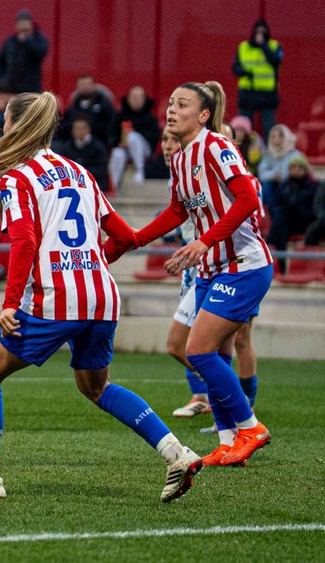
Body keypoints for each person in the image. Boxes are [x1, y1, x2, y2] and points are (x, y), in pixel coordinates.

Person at [0, 91, 201, 502]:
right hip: (101, 296)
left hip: (54, 297)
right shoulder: (79, 172)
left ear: (18, 126)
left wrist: (10, 302)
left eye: (6, 121)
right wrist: (94, 264)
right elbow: (126, 237)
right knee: (97, 388)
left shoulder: (17, 176)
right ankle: (177, 453)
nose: (2, 128)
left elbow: (24, 242)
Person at [124, 81, 274, 469]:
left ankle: (250, 427)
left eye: (182, 104)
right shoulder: (179, 158)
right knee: (217, 355)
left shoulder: (217, 146)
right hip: (212, 268)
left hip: (243, 265)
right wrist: (136, 238)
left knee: (198, 350)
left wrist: (204, 242)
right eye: (170, 103)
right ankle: (227, 442)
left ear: (204, 115)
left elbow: (248, 199)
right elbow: (177, 211)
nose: (172, 110)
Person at [232, 19, 283, 136]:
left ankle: (269, 153)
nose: (260, 34)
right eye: (257, 32)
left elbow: (276, 60)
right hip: (248, 93)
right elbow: (235, 68)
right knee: (243, 127)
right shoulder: (243, 47)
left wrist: (263, 45)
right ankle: (244, 152)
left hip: (268, 94)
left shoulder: (274, 46)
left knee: (269, 128)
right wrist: (244, 72)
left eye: (263, 32)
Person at [110, 86, 160, 187]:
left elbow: (155, 136)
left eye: (140, 97)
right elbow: (111, 134)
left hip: (144, 150)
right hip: (124, 149)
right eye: (134, 97)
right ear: (128, 99)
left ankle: (140, 172)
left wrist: (135, 133)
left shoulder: (150, 116)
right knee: (117, 154)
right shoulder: (120, 115)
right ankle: (113, 187)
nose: (137, 100)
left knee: (132, 136)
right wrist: (118, 143)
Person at [0, 9, 48, 94]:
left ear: (31, 24)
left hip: (31, 89)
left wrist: (27, 41)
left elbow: (40, 53)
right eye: (20, 22)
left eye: (25, 22)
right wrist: (3, 80)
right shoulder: (10, 42)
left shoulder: (38, 39)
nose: (22, 25)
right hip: (12, 89)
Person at [268, 159, 317, 248]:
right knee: (281, 226)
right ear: (289, 170)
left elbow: (314, 209)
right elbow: (274, 205)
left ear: (305, 170)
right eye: (294, 167)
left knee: (279, 223)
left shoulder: (313, 187)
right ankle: (279, 259)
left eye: (300, 167)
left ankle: (270, 251)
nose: (297, 169)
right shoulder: (283, 186)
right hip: (286, 222)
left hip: (305, 222)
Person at [60, 75, 117, 146]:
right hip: (73, 145)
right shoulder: (72, 109)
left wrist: (90, 127)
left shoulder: (104, 104)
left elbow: (111, 124)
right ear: (77, 87)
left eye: (88, 84)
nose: (86, 87)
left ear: (94, 86)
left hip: (100, 143)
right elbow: (64, 127)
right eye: (82, 84)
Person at [55, 118, 110, 190]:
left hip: (94, 184)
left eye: (83, 128)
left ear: (89, 129)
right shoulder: (67, 147)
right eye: (77, 128)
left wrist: (81, 171)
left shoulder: (98, 147)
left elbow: (102, 169)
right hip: (73, 184)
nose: (80, 131)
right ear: (72, 131)